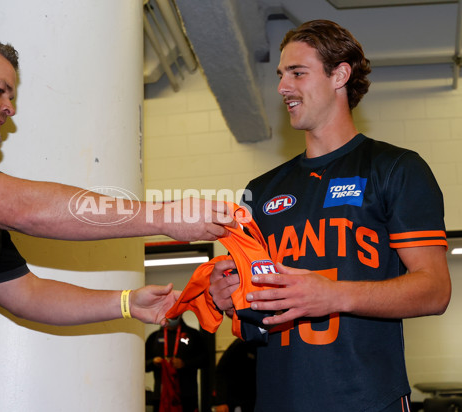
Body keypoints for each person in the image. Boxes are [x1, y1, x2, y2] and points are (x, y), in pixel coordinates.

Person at [0, 29, 236, 412]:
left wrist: (127, 303)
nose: (10, 107)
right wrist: (163, 215)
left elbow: (27, 294)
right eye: (0, 90)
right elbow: (25, 208)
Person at [208, 20, 451, 412]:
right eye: (281, 75)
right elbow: (255, 307)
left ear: (340, 74)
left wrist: (333, 294)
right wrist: (228, 297)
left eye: (297, 72)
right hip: (278, 399)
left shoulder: (394, 168)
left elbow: (435, 290)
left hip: (368, 400)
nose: (282, 87)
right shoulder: (261, 189)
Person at [145, 316, 208, 412]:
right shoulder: (154, 337)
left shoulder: (193, 334)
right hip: (161, 396)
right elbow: (144, 365)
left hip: (186, 396)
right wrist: (153, 362)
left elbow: (205, 360)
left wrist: (185, 364)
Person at [213, 339, 257, 412]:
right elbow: (221, 371)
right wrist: (221, 401)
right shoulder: (241, 344)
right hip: (235, 399)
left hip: (254, 399)